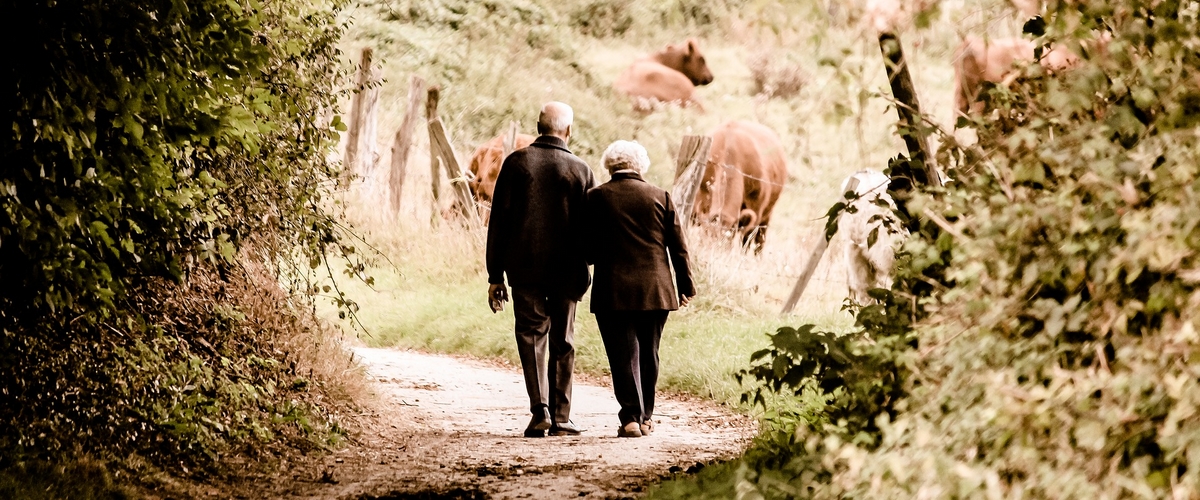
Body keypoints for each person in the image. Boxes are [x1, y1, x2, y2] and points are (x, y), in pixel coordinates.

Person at [485, 102, 596, 438]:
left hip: (525, 268)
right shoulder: (580, 169)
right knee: (563, 339)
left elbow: (498, 223)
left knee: (532, 337)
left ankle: (540, 412)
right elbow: (591, 228)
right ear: (569, 131)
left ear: (538, 126)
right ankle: (562, 417)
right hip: (568, 270)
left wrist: (495, 276)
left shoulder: (517, 163)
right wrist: (588, 263)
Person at [584, 140, 695, 438]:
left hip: (613, 290)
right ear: (641, 166)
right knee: (650, 352)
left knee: (622, 354)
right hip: (656, 289)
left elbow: (588, 251)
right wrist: (685, 285)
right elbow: (679, 248)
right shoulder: (661, 196)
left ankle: (630, 418)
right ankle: (646, 417)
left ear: (609, 165)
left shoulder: (595, 198)